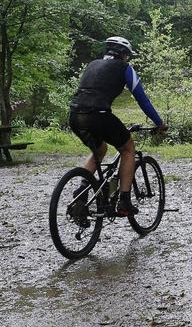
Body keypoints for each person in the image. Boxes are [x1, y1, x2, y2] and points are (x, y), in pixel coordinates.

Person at [68, 36, 166, 216]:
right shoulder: (125, 68)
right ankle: (124, 201)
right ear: (123, 54)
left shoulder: (92, 65)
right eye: (127, 56)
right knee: (128, 148)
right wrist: (158, 122)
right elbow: (142, 98)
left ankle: (81, 193)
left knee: (99, 149)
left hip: (74, 115)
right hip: (98, 114)